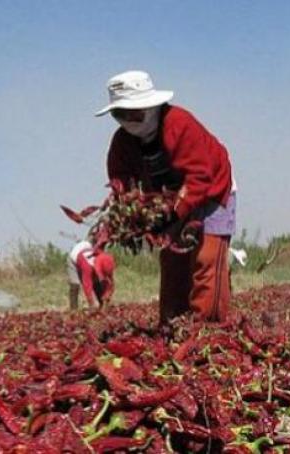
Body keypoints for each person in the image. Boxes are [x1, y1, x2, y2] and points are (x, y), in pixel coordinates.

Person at [98, 70, 235, 323]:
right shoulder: (122, 143)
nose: (127, 121)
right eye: (119, 114)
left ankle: (209, 327)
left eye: (133, 113)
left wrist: (173, 214)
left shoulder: (179, 124)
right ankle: (173, 324)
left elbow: (200, 176)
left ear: (151, 107)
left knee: (207, 257)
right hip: (170, 201)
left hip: (213, 192)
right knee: (173, 260)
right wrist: (133, 216)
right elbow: (121, 183)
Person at [67, 240, 115, 310]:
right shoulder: (87, 266)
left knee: (97, 282)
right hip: (74, 258)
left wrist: (107, 295)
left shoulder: (105, 261)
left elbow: (110, 283)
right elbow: (87, 285)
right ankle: (73, 309)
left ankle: (101, 303)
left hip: (85, 251)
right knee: (75, 284)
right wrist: (91, 302)